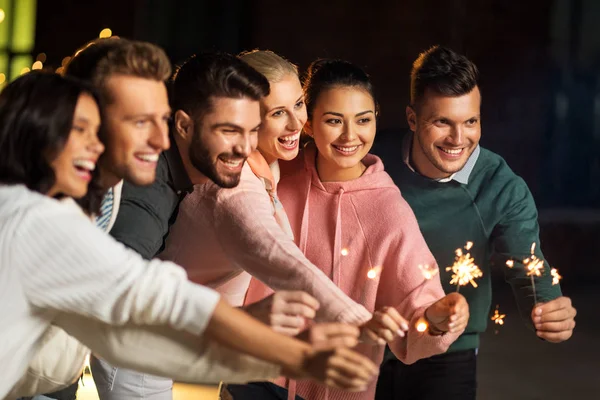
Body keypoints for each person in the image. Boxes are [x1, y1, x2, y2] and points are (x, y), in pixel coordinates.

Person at [0, 72, 378, 400]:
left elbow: (125, 341)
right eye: (80, 131)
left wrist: (278, 351)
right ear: (34, 132)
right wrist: (293, 353)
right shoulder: (36, 220)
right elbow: (157, 295)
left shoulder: (50, 213)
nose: (97, 145)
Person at [244, 59, 470, 400]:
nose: (350, 136)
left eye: (363, 120)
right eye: (334, 121)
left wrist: (439, 318)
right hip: (251, 376)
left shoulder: (388, 210)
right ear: (308, 124)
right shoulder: (273, 177)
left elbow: (416, 314)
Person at [374, 46, 577, 400]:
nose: (459, 139)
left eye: (471, 121)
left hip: (448, 346)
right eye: (442, 122)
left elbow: (526, 264)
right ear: (412, 119)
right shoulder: (372, 161)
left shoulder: (501, 186)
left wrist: (547, 307)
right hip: (368, 336)